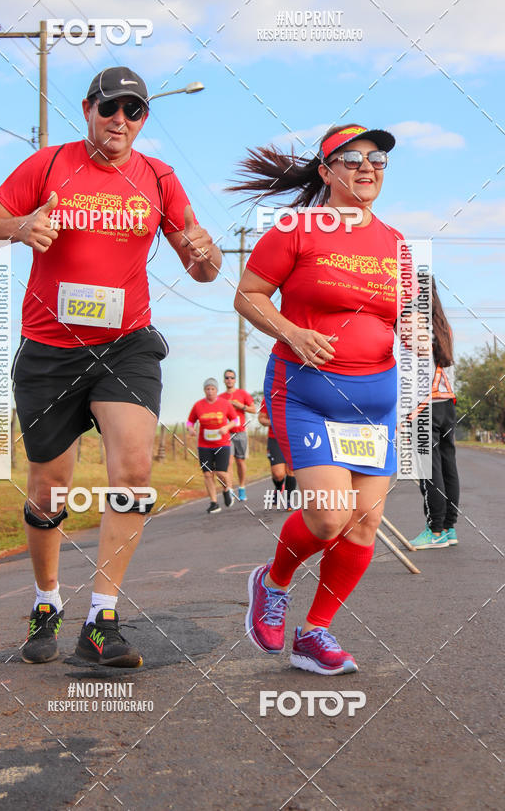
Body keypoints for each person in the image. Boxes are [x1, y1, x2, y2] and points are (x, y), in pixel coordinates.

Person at [0, 66, 221, 667]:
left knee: (132, 469)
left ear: (143, 121)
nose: (121, 122)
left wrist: (203, 254)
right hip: (50, 349)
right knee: (51, 484)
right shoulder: (47, 166)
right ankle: (46, 599)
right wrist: (18, 227)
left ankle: (101, 617)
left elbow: (200, 269)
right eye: (111, 110)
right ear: (88, 109)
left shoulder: (159, 178)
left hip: (125, 345)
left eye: (134, 112)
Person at [231, 123, 407, 675]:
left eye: (376, 158)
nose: (366, 167)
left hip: (374, 402)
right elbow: (248, 295)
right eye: (351, 159)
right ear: (327, 172)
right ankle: (274, 580)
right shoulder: (295, 229)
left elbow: (401, 321)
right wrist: (290, 331)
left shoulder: (396, 243)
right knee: (330, 519)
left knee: (363, 525)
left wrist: (422, 352)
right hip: (307, 392)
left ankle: (315, 633)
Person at [410, 278, 460, 548]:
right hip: (446, 402)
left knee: (429, 470)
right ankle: (449, 528)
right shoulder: (445, 326)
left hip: (423, 405)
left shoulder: (413, 323)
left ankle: (435, 530)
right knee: (448, 465)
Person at [187, 378, 238, 513]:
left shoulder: (225, 404)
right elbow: (189, 422)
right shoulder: (198, 405)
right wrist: (191, 429)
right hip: (204, 445)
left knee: (221, 472)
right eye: (207, 389)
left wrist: (226, 427)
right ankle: (214, 503)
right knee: (208, 474)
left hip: (222, 443)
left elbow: (235, 420)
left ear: (216, 390)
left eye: (212, 389)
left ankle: (228, 489)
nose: (210, 391)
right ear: (204, 390)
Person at [222, 369, 256, 500]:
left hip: (240, 432)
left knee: (240, 461)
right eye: (227, 378)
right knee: (228, 462)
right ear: (224, 380)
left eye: (231, 377)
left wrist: (240, 406)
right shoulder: (221, 397)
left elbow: (254, 409)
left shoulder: (243, 394)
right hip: (227, 434)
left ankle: (241, 487)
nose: (229, 380)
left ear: (235, 380)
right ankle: (230, 490)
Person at [258, 398, 296, 508]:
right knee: (278, 474)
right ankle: (279, 488)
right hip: (275, 439)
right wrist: (273, 422)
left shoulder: (294, 393)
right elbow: (261, 418)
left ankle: (289, 500)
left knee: (291, 470)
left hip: (293, 438)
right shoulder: (268, 397)